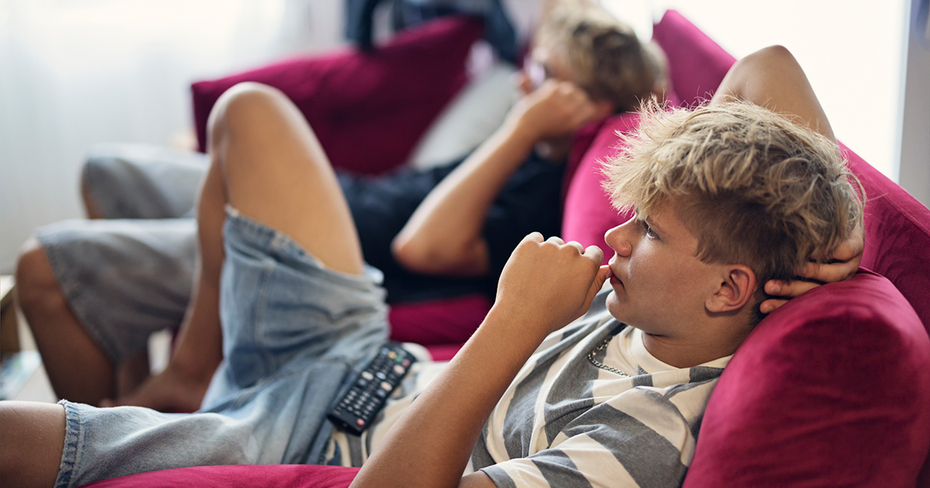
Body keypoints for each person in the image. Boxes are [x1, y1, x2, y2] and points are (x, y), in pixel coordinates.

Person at [0, 40, 864, 488]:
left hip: (317, 434)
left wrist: (514, 317)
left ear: (730, 287)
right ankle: (192, 370)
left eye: (651, 233)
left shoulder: (636, 445)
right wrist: (838, 225)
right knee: (249, 111)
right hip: (356, 348)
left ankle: (186, 400)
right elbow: (768, 68)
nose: (616, 239)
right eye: (632, 216)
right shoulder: (690, 288)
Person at [14, 0, 669, 410]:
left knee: (48, 270)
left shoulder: (537, 190)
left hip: (312, 247)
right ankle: (131, 391)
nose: (524, 83)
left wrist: (520, 128)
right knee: (107, 173)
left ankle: (112, 440)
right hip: (334, 192)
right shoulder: (538, 152)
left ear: (583, 102)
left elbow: (423, 246)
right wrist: (527, 130)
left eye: (545, 76)